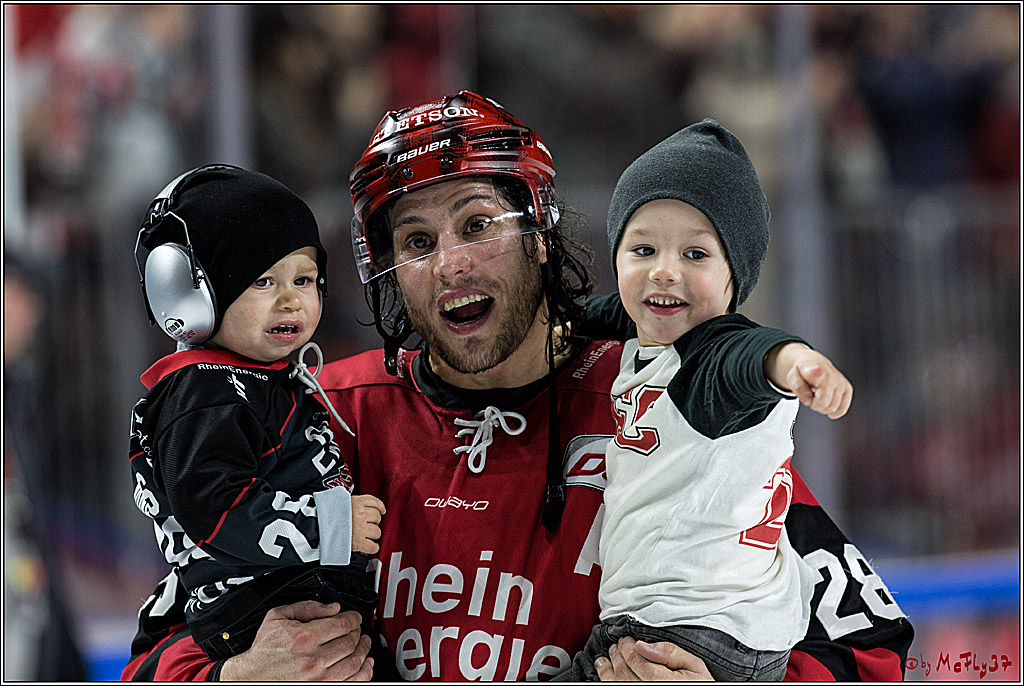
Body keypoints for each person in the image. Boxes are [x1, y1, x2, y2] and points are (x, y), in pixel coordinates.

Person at [121, 92, 914, 682]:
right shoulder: (324, 416)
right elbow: (159, 648)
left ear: (539, 236)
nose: (450, 265)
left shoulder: (665, 402)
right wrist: (227, 677)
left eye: (476, 225)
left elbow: (873, 650)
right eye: (418, 241)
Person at [567, 119, 852, 681]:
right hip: (733, 631)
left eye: (696, 255)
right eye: (642, 248)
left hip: (683, 631)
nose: (664, 270)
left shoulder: (711, 358)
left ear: (733, 276)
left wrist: (798, 365)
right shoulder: (641, 330)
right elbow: (583, 317)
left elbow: (755, 357)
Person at [127, 165, 385, 663]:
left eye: (304, 278)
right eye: (263, 281)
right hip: (255, 612)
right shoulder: (205, 393)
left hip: (279, 595)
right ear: (192, 298)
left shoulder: (258, 379)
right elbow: (216, 508)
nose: (291, 299)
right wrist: (330, 526)